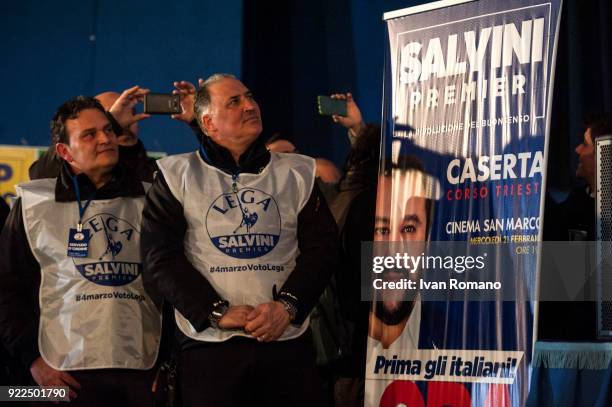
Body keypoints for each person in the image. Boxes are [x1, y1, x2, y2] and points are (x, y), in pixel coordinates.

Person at [141, 73, 340, 407]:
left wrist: (287, 307)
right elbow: (159, 257)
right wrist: (215, 311)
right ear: (208, 122)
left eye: (250, 97)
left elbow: (323, 249)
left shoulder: (298, 172)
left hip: (285, 342)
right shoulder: (176, 175)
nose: (250, 105)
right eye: (234, 102)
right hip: (208, 348)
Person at [0, 96, 162, 405]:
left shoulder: (153, 197)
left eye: (108, 131)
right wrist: (32, 360)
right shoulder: (35, 203)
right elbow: (6, 288)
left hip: (141, 371)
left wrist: (169, 361)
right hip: (62, 375)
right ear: (64, 151)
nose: (105, 139)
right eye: (89, 135)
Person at [29, 86, 157, 182]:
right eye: (110, 115)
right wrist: (113, 122)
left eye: (131, 113)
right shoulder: (73, 172)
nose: (126, 123)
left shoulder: (157, 173)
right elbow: (41, 175)